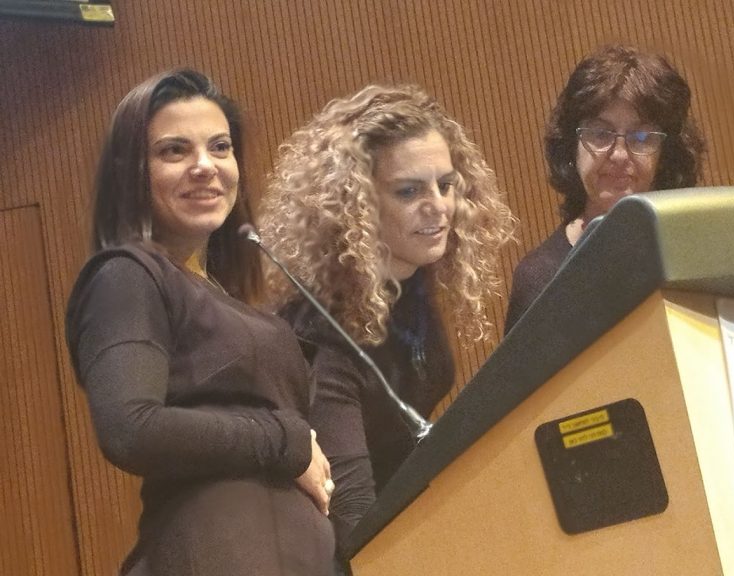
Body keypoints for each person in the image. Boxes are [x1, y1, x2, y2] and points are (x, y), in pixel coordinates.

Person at [65, 69, 335, 575]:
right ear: (131, 171)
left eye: (220, 147)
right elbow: (130, 428)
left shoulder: (220, 292)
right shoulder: (126, 275)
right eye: (174, 151)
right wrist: (284, 439)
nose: (205, 166)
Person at [257, 84, 515, 555]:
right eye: (409, 191)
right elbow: (354, 519)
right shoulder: (321, 332)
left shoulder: (409, 282)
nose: (438, 206)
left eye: (446, 185)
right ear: (357, 203)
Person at [503, 44, 706, 333]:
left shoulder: (697, 259)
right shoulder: (541, 279)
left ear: (666, 155)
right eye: (600, 134)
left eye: (641, 137)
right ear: (571, 146)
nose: (620, 155)